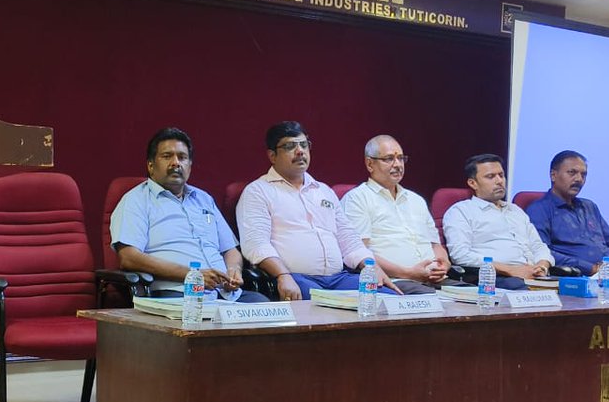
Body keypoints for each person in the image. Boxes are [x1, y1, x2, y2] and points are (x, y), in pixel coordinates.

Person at [236, 121, 396, 301]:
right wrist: (283, 275)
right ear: (272, 155)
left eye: (304, 145)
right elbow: (256, 244)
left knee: (390, 300)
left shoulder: (323, 191)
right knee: (323, 308)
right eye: (290, 146)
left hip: (338, 279)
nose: (300, 151)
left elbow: (348, 237)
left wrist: (371, 266)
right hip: (296, 278)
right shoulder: (258, 191)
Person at [110, 127, 268, 302]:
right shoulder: (136, 200)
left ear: (190, 166)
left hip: (225, 294)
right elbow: (129, 258)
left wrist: (233, 271)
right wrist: (193, 276)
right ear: (151, 165)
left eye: (182, 157)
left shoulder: (204, 199)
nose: (176, 163)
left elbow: (230, 250)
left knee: (266, 309)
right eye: (167, 156)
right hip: (178, 293)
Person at [341, 134, 449, 295]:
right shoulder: (357, 199)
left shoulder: (416, 200)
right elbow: (359, 250)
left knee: (479, 298)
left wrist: (444, 265)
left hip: (434, 279)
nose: (397, 164)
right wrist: (408, 272)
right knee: (438, 303)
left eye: (400, 158)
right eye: (389, 159)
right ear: (370, 164)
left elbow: (435, 245)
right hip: (395, 281)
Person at [526, 150, 609, 276]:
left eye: (583, 175)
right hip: (578, 279)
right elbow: (543, 252)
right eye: (572, 172)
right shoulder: (539, 210)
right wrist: (591, 268)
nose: (579, 179)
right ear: (553, 175)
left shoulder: (590, 206)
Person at [443, 153, 553, 290]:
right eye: (490, 177)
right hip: (494, 277)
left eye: (501, 175)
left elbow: (538, 246)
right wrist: (510, 270)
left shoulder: (516, 211)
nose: (499, 181)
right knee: (525, 291)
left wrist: (541, 266)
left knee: (571, 289)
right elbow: (461, 256)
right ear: (473, 183)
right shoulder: (461, 211)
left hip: (532, 274)